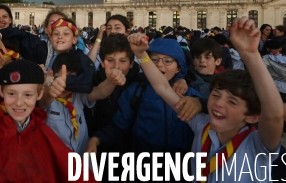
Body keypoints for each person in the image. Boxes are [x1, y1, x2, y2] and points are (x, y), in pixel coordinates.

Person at [128, 17, 283, 182]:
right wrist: (141, 55)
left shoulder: (257, 145)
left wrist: (250, 55)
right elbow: (163, 88)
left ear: (252, 116)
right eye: (215, 95)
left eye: (232, 101)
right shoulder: (202, 125)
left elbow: (274, 115)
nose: (218, 103)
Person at [86, 38, 202, 182]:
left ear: (179, 67)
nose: (159, 64)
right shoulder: (136, 91)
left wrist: (200, 103)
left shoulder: (190, 95)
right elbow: (119, 124)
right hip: (143, 165)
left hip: (181, 164)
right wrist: (97, 138)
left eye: (167, 61)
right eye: (153, 59)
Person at [39, 52, 125, 153]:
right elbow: (42, 102)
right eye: (62, 78)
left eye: (72, 80)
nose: (66, 85)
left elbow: (98, 92)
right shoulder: (44, 96)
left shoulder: (77, 94)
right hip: (58, 161)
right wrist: (51, 85)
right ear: (51, 73)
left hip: (83, 158)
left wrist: (111, 82)